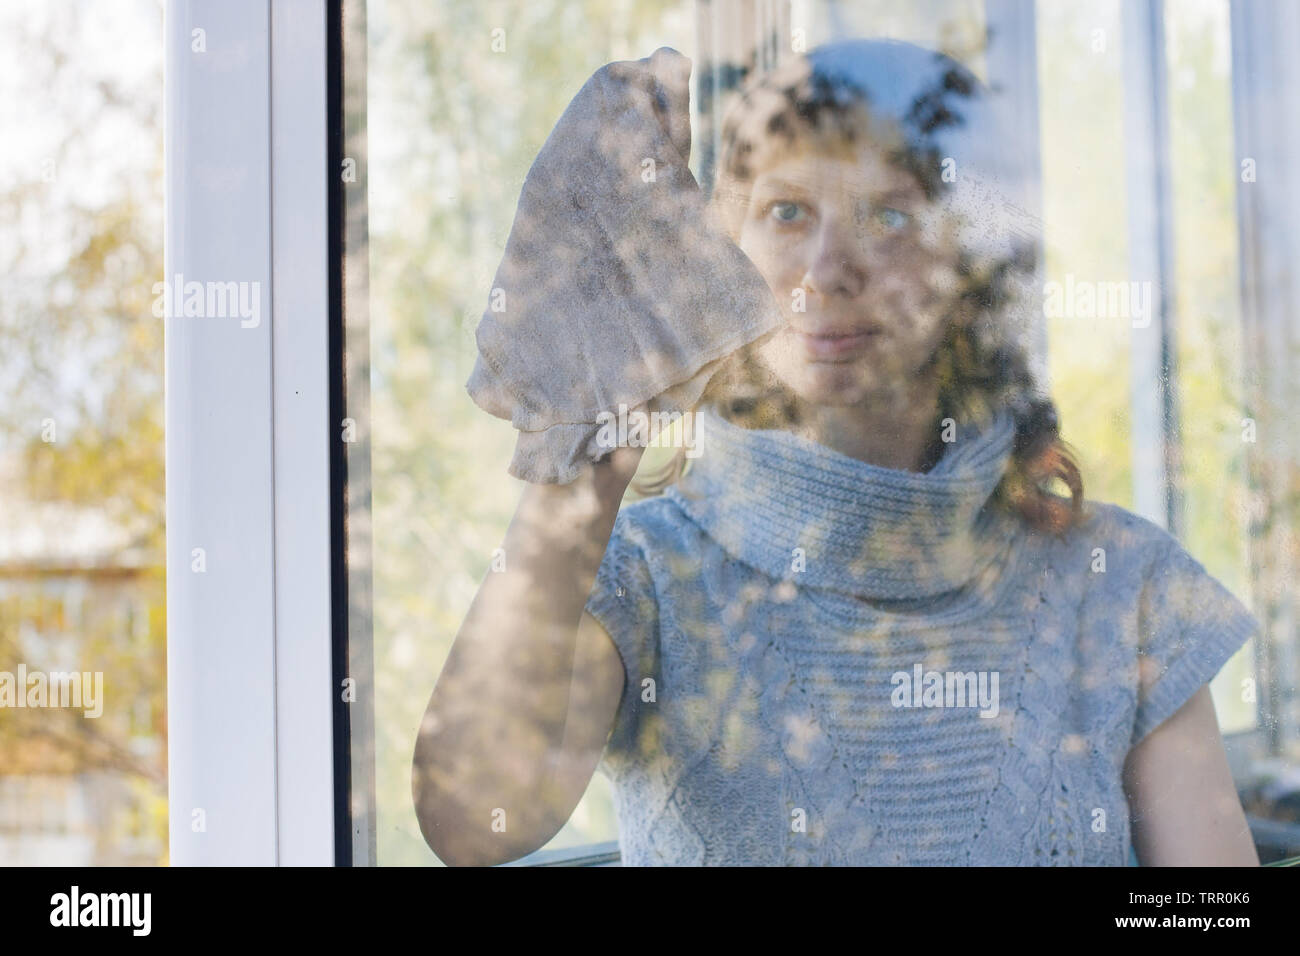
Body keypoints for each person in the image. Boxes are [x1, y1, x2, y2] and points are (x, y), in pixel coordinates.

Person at [411, 38, 1261, 866]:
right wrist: (589, 438)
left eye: (889, 215)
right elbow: (474, 822)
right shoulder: (648, 577)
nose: (827, 270)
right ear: (725, 249)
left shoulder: (1122, 583)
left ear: (968, 268)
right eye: (787, 212)